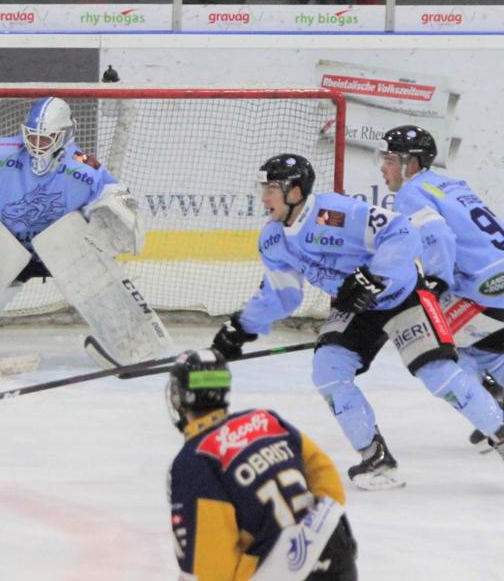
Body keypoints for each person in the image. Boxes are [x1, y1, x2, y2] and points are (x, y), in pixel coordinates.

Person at [211, 153, 504, 491]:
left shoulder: (333, 213)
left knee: (436, 372)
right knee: (328, 371)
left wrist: (372, 276)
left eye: (272, 189)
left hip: (402, 294)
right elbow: (282, 296)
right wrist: (241, 329)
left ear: (294, 191)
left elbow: (403, 231)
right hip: (357, 309)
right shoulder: (274, 240)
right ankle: (376, 459)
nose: (264, 198)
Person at [0, 96, 169, 367]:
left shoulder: (85, 168)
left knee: (80, 252)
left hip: (62, 251)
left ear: (64, 136)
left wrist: (117, 209)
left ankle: (131, 340)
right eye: (31, 136)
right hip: (10, 247)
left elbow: (112, 194)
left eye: (45, 139)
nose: (36, 145)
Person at [166, 348, 358, 581]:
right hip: (336, 550)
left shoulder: (195, 461)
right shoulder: (265, 419)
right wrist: (319, 532)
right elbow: (324, 471)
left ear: (178, 396)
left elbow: (212, 565)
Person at [378, 124, 504, 447]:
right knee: (481, 344)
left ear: (412, 163)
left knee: (427, 341)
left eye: (390, 159)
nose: (383, 167)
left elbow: (440, 235)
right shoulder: (450, 184)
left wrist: (435, 283)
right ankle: (494, 394)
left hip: (487, 288)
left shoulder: (409, 193)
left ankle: (492, 412)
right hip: (494, 283)